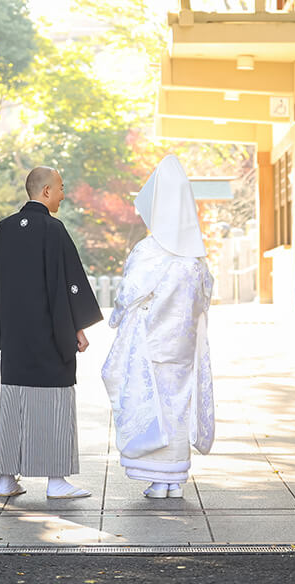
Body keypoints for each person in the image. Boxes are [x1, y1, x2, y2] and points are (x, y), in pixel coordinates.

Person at [0, 166, 103, 499]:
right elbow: (69, 284)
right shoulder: (53, 230)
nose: (63, 194)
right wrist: (77, 327)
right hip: (50, 335)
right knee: (55, 403)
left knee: (14, 404)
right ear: (46, 191)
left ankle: (6, 479)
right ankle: (56, 481)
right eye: (60, 188)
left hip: (14, 338)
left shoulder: (3, 229)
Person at [101, 155, 215, 499]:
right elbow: (204, 298)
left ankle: (157, 478)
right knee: (178, 406)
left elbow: (128, 294)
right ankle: (175, 480)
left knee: (155, 407)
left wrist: (116, 318)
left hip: (152, 342)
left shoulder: (150, 250)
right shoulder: (195, 256)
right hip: (183, 346)